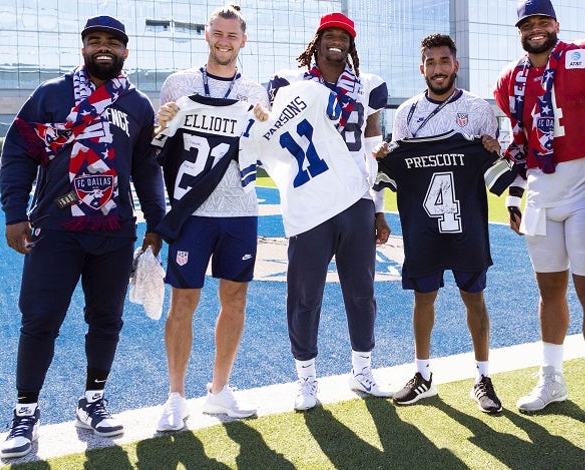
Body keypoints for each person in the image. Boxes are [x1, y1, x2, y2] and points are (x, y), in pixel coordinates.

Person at [0, 15, 165, 458]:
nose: (103, 48)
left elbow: (147, 168)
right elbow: (18, 152)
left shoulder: (137, 104)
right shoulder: (50, 95)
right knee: (40, 321)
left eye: (113, 42)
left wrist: (156, 224)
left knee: (107, 320)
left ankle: (92, 401)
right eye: (95, 41)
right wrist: (15, 213)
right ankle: (25, 413)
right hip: (57, 228)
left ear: (126, 51)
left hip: (114, 231)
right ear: (83, 48)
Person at [493, 0, 585, 431]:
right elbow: (518, 141)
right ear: (519, 31)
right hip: (539, 191)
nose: (536, 29)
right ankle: (552, 379)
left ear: (556, 24)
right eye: (527, 24)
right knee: (549, 293)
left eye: (542, 21)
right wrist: (514, 196)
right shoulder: (510, 78)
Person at [265, 12, 393, 410]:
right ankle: (306, 379)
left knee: (362, 292)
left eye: (344, 36)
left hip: (355, 200)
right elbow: (272, 134)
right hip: (311, 201)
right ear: (317, 41)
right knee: (305, 294)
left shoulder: (367, 87)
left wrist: (379, 209)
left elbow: (373, 152)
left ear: (351, 44)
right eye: (329, 34)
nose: (336, 40)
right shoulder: (290, 83)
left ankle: (362, 370)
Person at [151, 5, 267, 433]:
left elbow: (265, 151)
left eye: (232, 35)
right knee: (184, 301)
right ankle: (176, 396)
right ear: (206, 35)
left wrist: (264, 128)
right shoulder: (178, 84)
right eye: (217, 33)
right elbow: (157, 147)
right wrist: (160, 124)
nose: (224, 40)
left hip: (241, 211)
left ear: (243, 40)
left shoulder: (256, 91)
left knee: (235, 300)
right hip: (193, 211)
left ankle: (219, 390)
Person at [374, 33, 505, 413]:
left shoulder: (479, 110)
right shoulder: (406, 114)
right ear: (422, 68)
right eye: (430, 63)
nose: (437, 69)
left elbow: (497, 168)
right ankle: (423, 375)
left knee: (474, 297)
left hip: (467, 224)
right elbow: (391, 166)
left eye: (444, 61)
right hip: (423, 226)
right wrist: (382, 188)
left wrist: (494, 151)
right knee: (423, 298)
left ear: (455, 65)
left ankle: (482, 377)